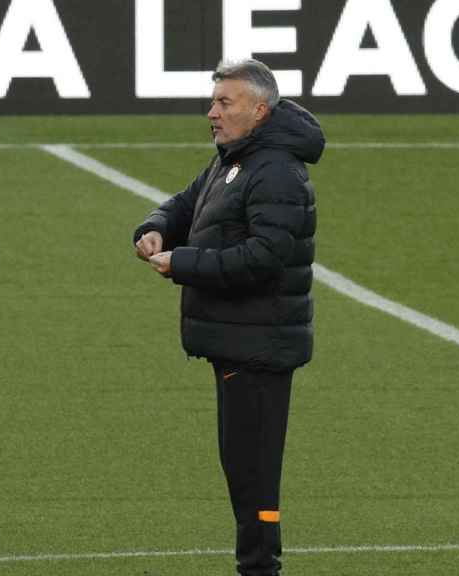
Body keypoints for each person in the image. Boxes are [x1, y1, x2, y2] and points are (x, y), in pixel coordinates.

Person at [132, 58, 323, 576]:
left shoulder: (276, 170)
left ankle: (261, 570)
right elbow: (188, 204)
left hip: (260, 347)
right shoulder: (233, 157)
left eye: (224, 103)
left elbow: (266, 257)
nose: (212, 113)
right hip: (239, 341)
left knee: (255, 476)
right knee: (243, 471)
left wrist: (183, 264)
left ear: (259, 110)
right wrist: (154, 228)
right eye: (213, 101)